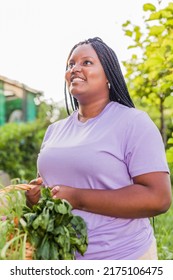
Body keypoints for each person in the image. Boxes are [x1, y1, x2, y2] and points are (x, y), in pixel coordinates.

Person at [26, 37, 172, 260]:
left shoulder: (133, 123)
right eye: (70, 64)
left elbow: (158, 198)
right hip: (62, 257)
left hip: (124, 258)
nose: (75, 68)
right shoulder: (54, 131)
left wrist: (77, 197)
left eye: (86, 62)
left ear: (108, 76)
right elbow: (48, 188)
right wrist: (35, 199)